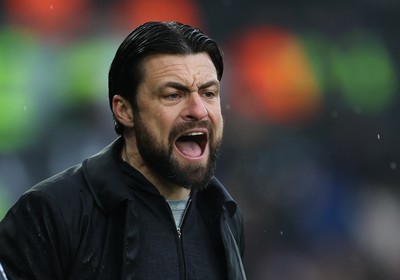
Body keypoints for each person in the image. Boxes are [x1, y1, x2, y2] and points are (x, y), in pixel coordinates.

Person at [0, 21, 246, 280]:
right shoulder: (52, 212)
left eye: (209, 93)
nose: (198, 110)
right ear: (124, 111)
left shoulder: (224, 216)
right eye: (173, 95)